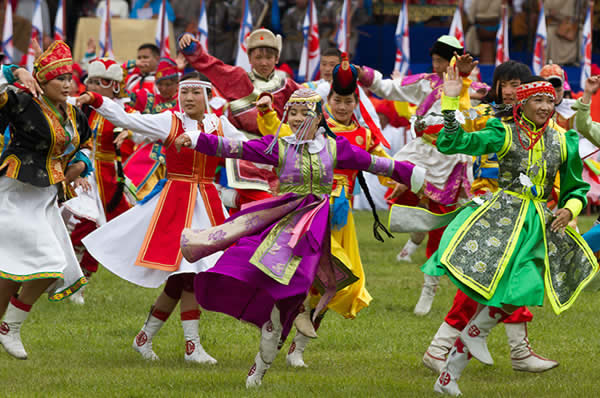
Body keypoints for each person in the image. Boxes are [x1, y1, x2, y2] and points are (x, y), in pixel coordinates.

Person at [175, 87, 424, 387]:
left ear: (319, 118)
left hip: (314, 225)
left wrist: (410, 174)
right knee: (247, 265)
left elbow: (374, 163)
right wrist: (198, 139)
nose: (295, 119)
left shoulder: (334, 148)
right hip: (282, 218)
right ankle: (270, 340)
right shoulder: (280, 146)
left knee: (295, 290)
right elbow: (236, 148)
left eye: (304, 113)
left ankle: (266, 355)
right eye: (291, 113)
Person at [427, 68, 596, 396]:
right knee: (494, 293)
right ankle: (448, 377)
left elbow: (576, 187)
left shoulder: (563, 139)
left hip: (537, 224)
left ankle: (469, 342)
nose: (546, 106)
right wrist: (450, 100)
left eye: (550, 99)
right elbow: (452, 141)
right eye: (538, 100)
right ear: (522, 104)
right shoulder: (501, 131)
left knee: (524, 289)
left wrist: (570, 209)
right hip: (499, 221)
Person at [420, 60, 559, 374]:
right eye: (505, 84)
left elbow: (553, 168)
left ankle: (514, 351)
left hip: (528, 215)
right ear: (497, 87)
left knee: (515, 282)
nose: (510, 91)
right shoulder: (487, 116)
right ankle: (442, 349)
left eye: (516, 84)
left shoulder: (544, 128)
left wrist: (564, 206)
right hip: (489, 208)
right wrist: (456, 95)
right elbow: (445, 134)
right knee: (480, 284)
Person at [79, 72, 227, 364]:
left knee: (183, 278)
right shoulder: (168, 120)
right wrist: (97, 100)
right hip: (175, 205)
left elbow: (249, 147)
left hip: (208, 205)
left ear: (207, 95)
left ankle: (143, 339)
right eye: (185, 92)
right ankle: (191, 347)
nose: (188, 98)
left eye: (195, 93)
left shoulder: (219, 124)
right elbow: (127, 119)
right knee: (190, 274)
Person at [281, 58, 396, 368]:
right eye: (337, 100)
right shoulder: (316, 128)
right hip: (312, 207)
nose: (343, 106)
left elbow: (384, 163)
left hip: (341, 216)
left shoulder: (364, 135)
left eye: (348, 101)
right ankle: (279, 333)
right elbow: (281, 139)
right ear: (327, 101)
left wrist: (399, 183)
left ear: (356, 102)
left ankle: (298, 348)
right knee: (303, 275)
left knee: (337, 280)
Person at [358, 35, 480, 316]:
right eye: (435, 60)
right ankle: (416, 233)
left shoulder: (470, 88)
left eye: (442, 61)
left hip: (451, 164)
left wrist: (461, 77)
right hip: (420, 155)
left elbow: (466, 106)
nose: (436, 66)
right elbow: (390, 88)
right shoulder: (425, 82)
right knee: (397, 194)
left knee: (440, 227)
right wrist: (362, 74)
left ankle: (429, 288)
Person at [0, 41, 93, 359]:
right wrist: (17, 70)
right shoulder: (20, 101)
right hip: (15, 191)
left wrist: (82, 163)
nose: (67, 84)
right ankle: (10, 327)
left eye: (70, 77)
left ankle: (7, 326)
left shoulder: (74, 113)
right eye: (60, 78)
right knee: (48, 265)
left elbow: (81, 145)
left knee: (16, 272)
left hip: (44, 198)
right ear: (41, 80)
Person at [179, 28, 300, 210]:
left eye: (269, 57)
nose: (264, 62)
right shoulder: (237, 78)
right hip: (244, 152)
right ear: (250, 59)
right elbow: (211, 66)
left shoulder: (288, 85)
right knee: (250, 206)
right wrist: (191, 48)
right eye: (258, 57)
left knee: (279, 208)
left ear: (277, 58)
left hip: (280, 151)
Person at [64, 58, 134, 304]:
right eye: (89, 81)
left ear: (113, 85)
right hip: (79, 172)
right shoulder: (80, 108)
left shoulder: (123, 111)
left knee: (99, 230)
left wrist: (129, 132)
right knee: (76, 223)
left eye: (96, 82)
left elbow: (140, 130)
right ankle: (63, 275)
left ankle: (81, 282)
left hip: (108, 178)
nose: (90, 86)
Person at [123, 57, 180, 202]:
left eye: (168, 84)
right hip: (147, 156)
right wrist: (129, 65)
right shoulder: (149, 99)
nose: (164, 89)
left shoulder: (184, 103)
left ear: (177, 83)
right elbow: (119, 93)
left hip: (176, 159)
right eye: (160, 84)